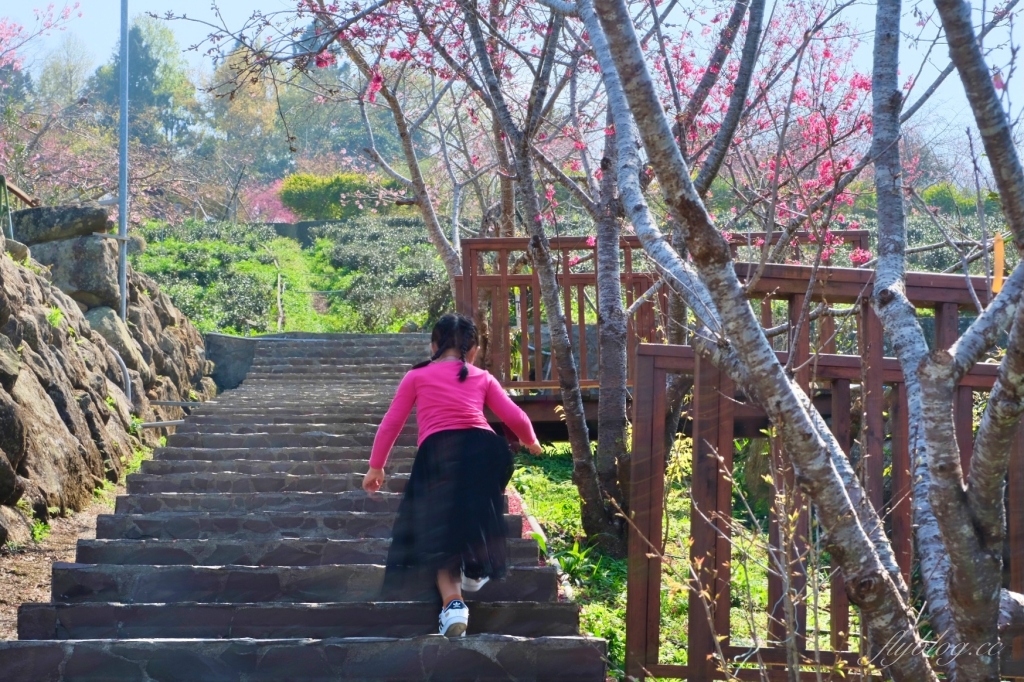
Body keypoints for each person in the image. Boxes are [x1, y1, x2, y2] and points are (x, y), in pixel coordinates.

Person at [364, 313, 543, 638]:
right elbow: (514, 414)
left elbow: (392, 422)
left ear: (433, 345)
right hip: (485, 450)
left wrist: (377, 466)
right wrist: (531, 440)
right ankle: (474, 565)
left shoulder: (417, 376)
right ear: (472, 349)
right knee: (470, 509)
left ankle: (453, 603)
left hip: (440, 453)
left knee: (437, 534)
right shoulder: (482, 376)